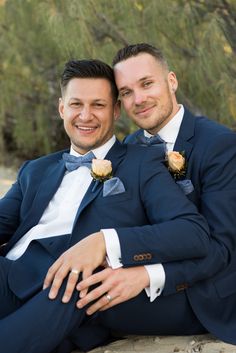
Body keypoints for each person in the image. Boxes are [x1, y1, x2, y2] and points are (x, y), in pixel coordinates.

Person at [0, 59, 210, 353]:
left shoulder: (142, 164)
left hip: (70, 288)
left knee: (76, 289)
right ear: (62, 109)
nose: (85, 116)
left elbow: (192, 231)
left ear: (115, 110)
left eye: (98, 105)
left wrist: (106, 241)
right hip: (8, 273)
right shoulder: (35, 170)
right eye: (76, 104)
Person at [75, 43, 236, 346]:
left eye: (147, 84)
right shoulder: (128, 148)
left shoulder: (220, 146)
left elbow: (221, 249)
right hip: (139, 271)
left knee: (84, 304)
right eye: (126, 91)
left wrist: (145, 276)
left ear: (171, 81)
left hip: (202, 292)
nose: (139, 99)